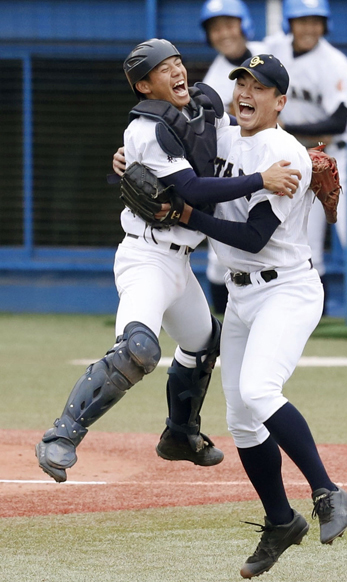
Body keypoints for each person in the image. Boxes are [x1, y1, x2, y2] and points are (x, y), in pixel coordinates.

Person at [35, 38, 301, 484]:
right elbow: (192, 190)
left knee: (204, 342)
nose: (177, 71)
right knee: (138, 349)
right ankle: (61, 436)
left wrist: (300, 157)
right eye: (164, 69)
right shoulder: (145, 130)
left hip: (181, 262)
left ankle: (180, 434)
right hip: (146, 257)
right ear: (144, 86)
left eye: (177, 61)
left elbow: (235, 142)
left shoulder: (202, 106)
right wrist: (262, 179)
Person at [159, 54, 347, 579]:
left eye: (259, 87)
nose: (246, 92)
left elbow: (251, 237)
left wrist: (188, 214)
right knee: (241, 420)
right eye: (241, 82)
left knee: (260, 391)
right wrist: (126, 156)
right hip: (241, 294)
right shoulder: (223, 135)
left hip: (287, 288)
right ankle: (281, 521)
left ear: (280, 101)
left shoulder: (286, 154)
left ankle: (328, 491)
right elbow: (175, 143)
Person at [264, 0, 347, 304]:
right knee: (305, 244)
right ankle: (313, 314)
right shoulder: (275, 49)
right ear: (290, 24)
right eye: (302, 21)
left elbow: (338, 121)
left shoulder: (335, 63)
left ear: (324, 24)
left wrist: (285, 126)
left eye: (315, 21)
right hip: (300, 160)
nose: (309, 28)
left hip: (338, 159)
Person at [199, 0, 266, 314]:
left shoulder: (270, 53)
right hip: (236, 165)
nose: (223, 33)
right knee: (220, 257)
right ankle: (222, 322)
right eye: (215, 28)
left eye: (229, 24)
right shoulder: (213, 80)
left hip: (282, 157)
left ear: (244, 24)